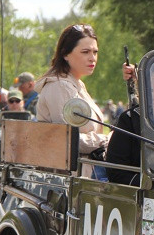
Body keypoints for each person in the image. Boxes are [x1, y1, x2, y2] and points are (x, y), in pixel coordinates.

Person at [35, 23, 108, 178]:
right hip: (69, 180)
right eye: (85, 52)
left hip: (88, 173)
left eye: (95, 52)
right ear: (65, 54)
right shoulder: (59, 85)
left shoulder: (77, 83)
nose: (92, 58)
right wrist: (106, 140)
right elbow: (66, 139)